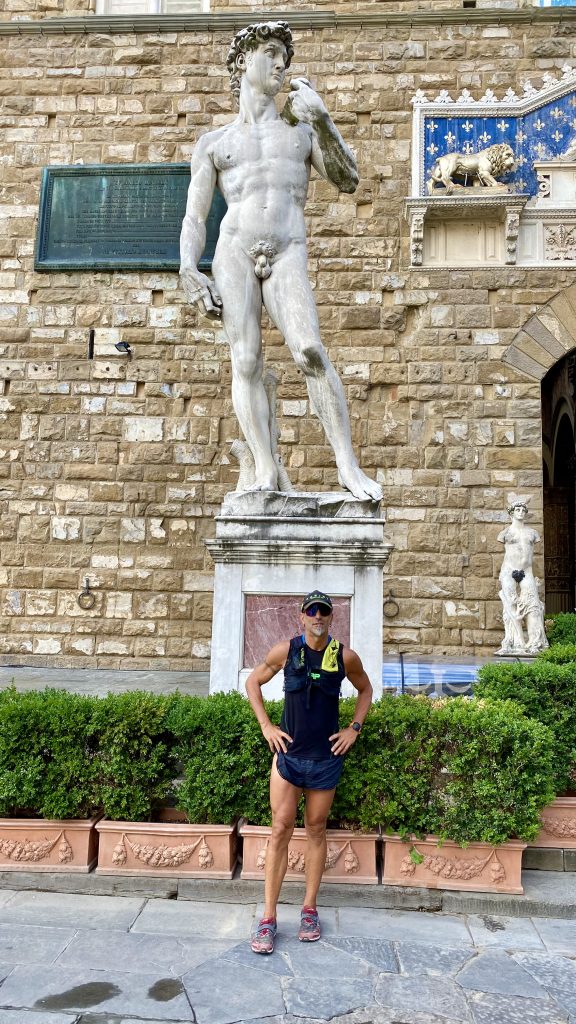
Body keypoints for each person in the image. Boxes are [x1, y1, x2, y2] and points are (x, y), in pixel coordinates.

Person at [179, 21, 382, 503]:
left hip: (287, 247)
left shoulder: (301, 131)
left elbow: (348, 179)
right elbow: (195, 214)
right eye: (270, 53)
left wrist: (326, 121)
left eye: (283, 56)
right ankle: (265, 472)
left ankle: (348, 468)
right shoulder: (214, 142)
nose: (281, 64)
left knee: (310, 350)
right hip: (234, 249)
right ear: (244, 62)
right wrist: (189, 267)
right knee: (245, 359)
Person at [245, 590, 373, 954]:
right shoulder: (285, 651)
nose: (318, 616)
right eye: (311, 611)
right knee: (280, 830)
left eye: (324, 611)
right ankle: (268, 917)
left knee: (316, 829)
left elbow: (366, 691)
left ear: (332, 618)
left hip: (324, 760)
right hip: (288, 759)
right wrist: (267, 726)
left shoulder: (345, 656)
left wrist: (354, 729)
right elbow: (253, 682)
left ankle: (309, 910)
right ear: (301, 617)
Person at [497, 501, 548, 655]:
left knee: (532, 605)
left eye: (522, 509)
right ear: (511, 513)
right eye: (517, 509)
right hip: (508, 570)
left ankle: (535, 642)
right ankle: (513, 642)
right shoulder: (504, 533)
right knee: (510, 605)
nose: (520, 512)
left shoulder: (532, 533)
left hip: (526, 571)